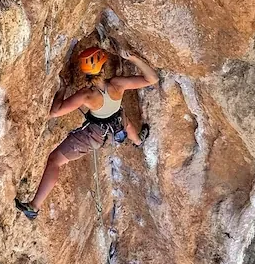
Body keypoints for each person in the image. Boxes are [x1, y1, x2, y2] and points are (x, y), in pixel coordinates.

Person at [15, 45, 159, 220]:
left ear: (86, 73)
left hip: (94, 135)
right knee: (123, 120)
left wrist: (62, 90)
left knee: (55, 160)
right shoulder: (117, 84)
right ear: (104, 68)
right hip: (117, 125)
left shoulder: (86, 95)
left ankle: (34, 207)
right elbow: (152, 78)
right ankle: (138, 141)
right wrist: (133, 58)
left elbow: (55, 112)